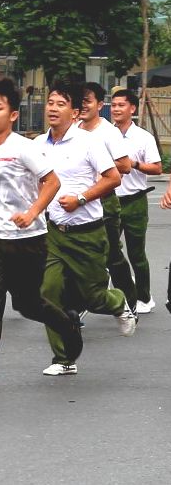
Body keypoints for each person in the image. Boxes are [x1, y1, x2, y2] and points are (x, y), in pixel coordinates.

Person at [0, 80, 80, 392]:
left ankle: (66, 324)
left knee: (27, 305)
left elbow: (51, 183)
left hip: (29, 241)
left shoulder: (25, 148)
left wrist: (33, 212)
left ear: (13, 115)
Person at [35, 83, 135, 376]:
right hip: (54, 233)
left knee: (95, 298)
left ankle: (118, 302)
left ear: (75, 112)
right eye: (49, 102)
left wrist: (80, 198)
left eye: (60, 104)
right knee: (48, 293)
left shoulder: (88, 142)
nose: (52, 108)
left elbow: (114, 178)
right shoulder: (39, 144)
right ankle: (64, 359)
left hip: (87, 232)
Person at [78, 82, 136, 313]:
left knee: (112, 256)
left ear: (100, 105)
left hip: (104, 200)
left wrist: (98, 165)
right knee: (81, 255)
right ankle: (81, 303)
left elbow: (125, 166)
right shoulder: (74, 129)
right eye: (80, 101)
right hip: (80, 201)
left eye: (88, 101)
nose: (83, 106)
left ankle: (128, 302)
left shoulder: (108, 132)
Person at [109, 88, 160, 313]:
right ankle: (116, 292)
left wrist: (134, 164)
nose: (116, 109)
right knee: (108, 252)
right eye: (113, 105)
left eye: (121, 105)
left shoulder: (143, 138)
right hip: (110, 200)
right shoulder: (104, 135)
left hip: (135, 201)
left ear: (132, 109)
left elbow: (157, 168)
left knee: (136, 253)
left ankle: (144, 297)